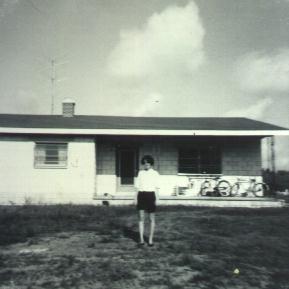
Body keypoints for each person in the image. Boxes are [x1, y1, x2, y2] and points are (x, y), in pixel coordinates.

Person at [135, 155, 160, 247]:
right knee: (141, 218)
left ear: (151, 163)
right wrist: (135, 198)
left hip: (150, 195)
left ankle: (150, 239)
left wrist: (157, 199)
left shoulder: (155, 173)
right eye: (145, 163)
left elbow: (157, 188)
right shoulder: (140, 173)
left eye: (148, 163)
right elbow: (137, 187)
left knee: (151, 218)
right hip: (141, 195)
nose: (146, 164)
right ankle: (141, 239)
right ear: (143, 164)